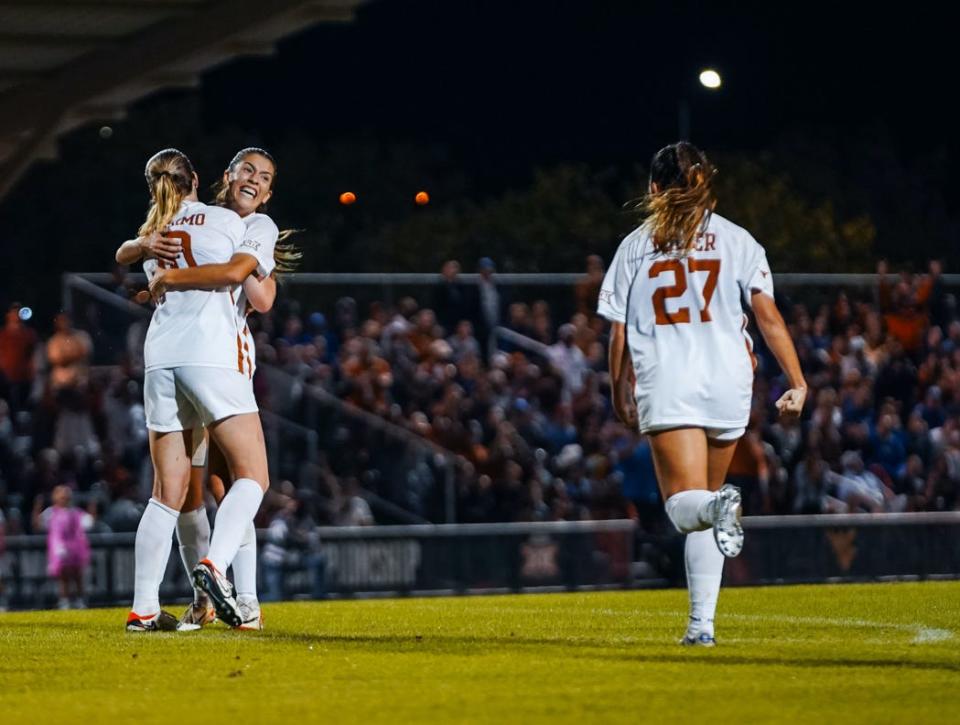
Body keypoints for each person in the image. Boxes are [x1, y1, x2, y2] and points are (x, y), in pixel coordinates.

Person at [599, 142, 806, 646]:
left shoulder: (636, 245)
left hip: (670, 376)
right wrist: (798, 382)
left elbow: (618, 332)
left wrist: (619, 388)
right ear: (704, 183)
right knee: (705, 504)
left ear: (653, 188)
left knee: (684, 507)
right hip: (729, 379)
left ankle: (717, 512)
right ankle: (701, 627)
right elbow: (768, 317)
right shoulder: (737, 240)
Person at [120, 147, 297, 630]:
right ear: (223, 175)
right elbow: (252, 288)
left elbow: (260, 295)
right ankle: (220, 580)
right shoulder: (232, 224)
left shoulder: (174, 223)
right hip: (215, 363)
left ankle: (170, 607)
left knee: (183, 493)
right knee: (243, 482)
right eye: (248, 171)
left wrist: (149, 260)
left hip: (165, 360)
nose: (254, 181)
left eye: (264, 177)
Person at [33, 485, 91, 609]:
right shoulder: (50, 513)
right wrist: (36, 508)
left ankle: (80, 599)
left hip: (76, 547)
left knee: (77, 574)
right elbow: (38, 525)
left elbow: (89, 522)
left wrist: (92, 505)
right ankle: (64, 600)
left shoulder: (75, 512)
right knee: (63, 575)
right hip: (59, 548)